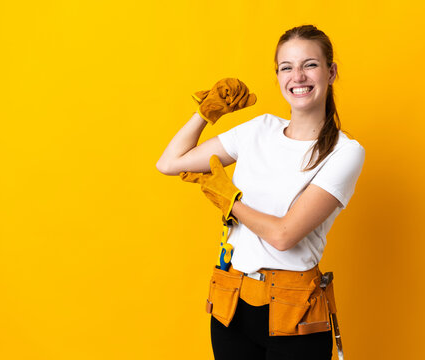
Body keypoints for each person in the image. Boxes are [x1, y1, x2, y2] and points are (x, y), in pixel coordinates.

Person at [156, 24, 365, 360]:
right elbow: (170, 162)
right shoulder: (259, 129)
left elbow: (284, 236)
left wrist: (231, 202)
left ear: (331, 71)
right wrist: (205, 113)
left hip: (294, 311)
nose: (298, 76)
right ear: (278, 76)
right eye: (287, 67)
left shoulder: (345, 152)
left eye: (309, 64)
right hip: (231, 299)